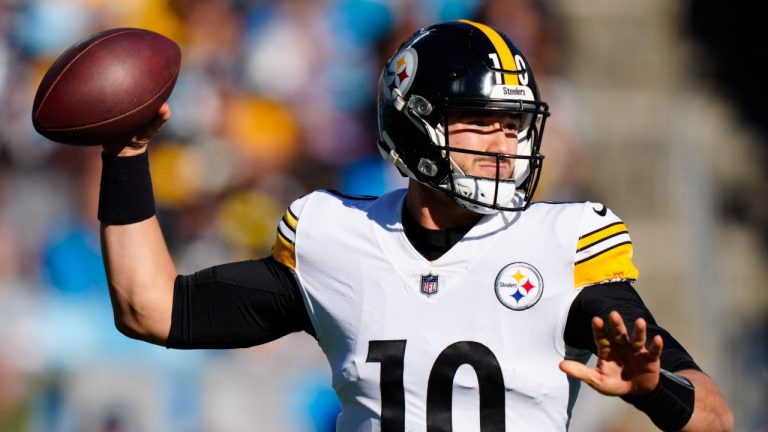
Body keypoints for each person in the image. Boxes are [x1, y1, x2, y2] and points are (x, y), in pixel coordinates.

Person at [96, 21, 733, 431]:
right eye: (483, 121)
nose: (505, 145)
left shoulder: (563, 244)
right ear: (416, 124)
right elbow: (151, 310)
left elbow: (714, 419)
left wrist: (655, 390)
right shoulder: (335, 237)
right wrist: (125, 156)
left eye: (514, 126)